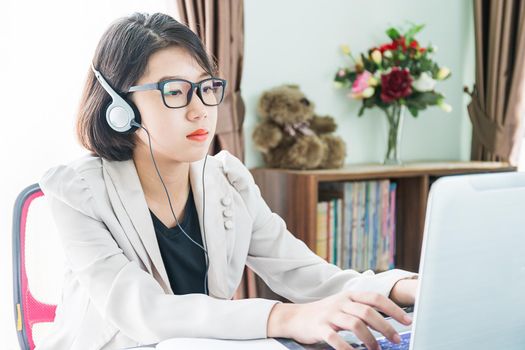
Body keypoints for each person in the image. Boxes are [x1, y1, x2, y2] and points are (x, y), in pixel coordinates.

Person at [37, 12, 419, 350]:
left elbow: (307, 275)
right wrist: (285, 318)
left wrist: (404, 287)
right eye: (174, 92)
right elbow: (143, 312)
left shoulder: (228, 180)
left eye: (206, 88)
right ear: (119, 108)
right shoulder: (77, 192)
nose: (199, 109)